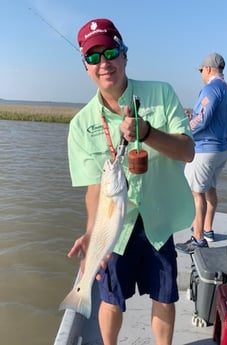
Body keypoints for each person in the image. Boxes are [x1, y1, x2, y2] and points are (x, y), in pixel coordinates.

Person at [67, 18, 195, 345]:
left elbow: (187, 151)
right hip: (116, 229)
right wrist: (92, 231)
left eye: (110, 52)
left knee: (165, 296)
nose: (104, 62)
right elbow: (95, 188)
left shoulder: (161, 93)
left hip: (156, 218)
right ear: (85, 66)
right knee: (111, 299)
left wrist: (148, 133)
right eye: (93, 57)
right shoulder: (81, 125)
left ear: (124, 55)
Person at [176, 53, 227, 255]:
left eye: (201, 71)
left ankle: (198, 239)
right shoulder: (226, 88)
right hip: (222, 149)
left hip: (205, 150)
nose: (201, 75)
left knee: (196, 194)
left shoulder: (211, 88)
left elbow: (203, 118)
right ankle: (208, 230)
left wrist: (185, 129)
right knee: (210, 189)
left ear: (207, 69)